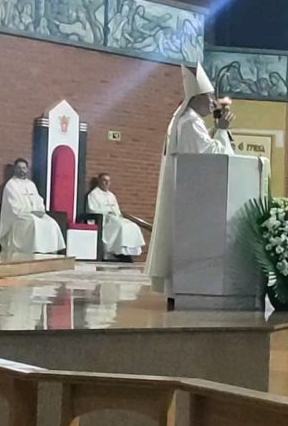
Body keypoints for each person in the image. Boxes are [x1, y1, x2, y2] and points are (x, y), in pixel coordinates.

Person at [146, 63, 235, 295]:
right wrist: (222, 130)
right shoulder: (191, 122)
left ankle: (179, 290)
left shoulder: (184, 119)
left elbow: (199, 152)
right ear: (196, 98)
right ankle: (189, 289)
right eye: (209, 97)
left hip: (185, 190)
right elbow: (212, 158)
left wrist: (216, 132)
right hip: (192, 196)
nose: (213, 103)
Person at [0, 158, 66, 254]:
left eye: (24, 168)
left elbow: (39, 200)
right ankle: (35, 250)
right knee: (34, 222)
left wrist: (40, 210)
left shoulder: (31, 184)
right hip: (19, 216)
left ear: (27, 169)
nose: (21, 170)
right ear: (15, 169)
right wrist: (31, 212)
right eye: (19, 168)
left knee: (51, 222)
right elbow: (14, 206)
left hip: (34, 213)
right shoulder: (11, 185)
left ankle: (50, 251)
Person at [87, 173, 145, 262]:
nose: (107, 183)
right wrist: (106, 212)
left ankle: (126, 252)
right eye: (104, 180)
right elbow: (92, 210)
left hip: (115, 218)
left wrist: (116, 214)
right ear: (99, 181)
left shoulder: (111, 195)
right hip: (104, 220)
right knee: (121, 226)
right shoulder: (93, 194)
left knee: (133, 226)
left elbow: (117, 210)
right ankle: (117, 252)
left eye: (108, 181)